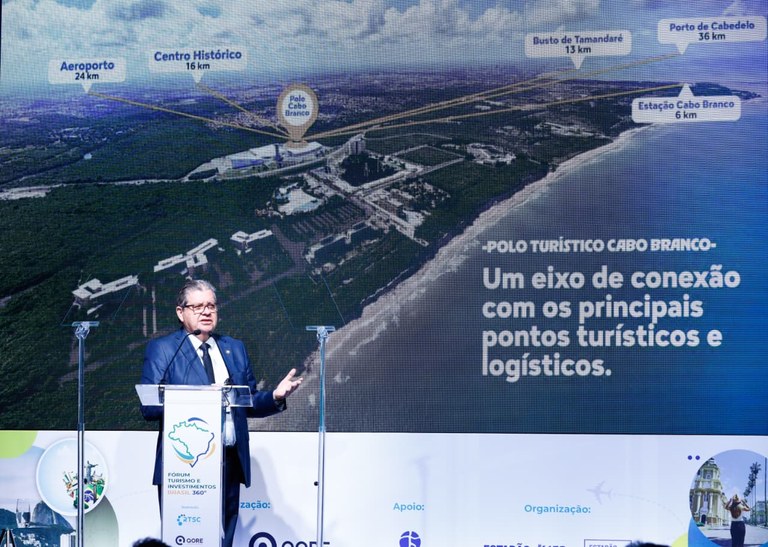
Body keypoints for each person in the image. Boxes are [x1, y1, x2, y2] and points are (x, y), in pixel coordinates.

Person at [140, 279, 302, 547]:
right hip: (184, 466)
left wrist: (274, 397)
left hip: (228, 461)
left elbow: (245, 401)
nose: (206, 312)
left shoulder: (234, 348)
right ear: (181, 312)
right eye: (198, 306)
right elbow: (149, 406)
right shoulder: (164, 349)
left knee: (224, 539)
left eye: (211, 306)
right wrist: (203, 400)